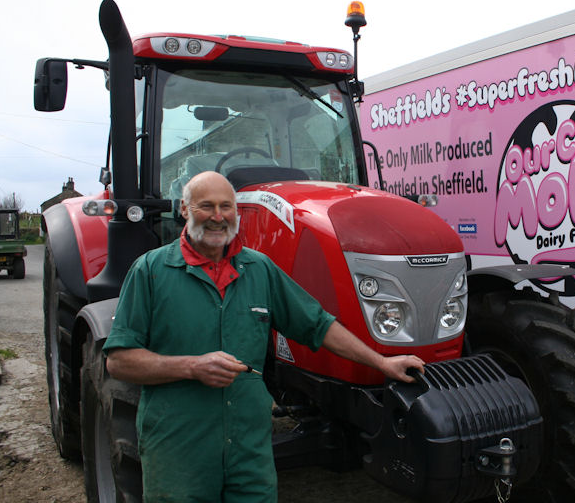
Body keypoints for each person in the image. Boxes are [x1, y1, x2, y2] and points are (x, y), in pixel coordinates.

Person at [103, 171, 425, 502]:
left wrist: (382, 362)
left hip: (248, 452)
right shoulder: (150, 272)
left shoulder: (260, 269)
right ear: (184, 209)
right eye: (206, 206)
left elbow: (318, 325)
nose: (218, 217)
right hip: (179, 454)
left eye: (226, 206)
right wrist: (191, 367)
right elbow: (120, 361)